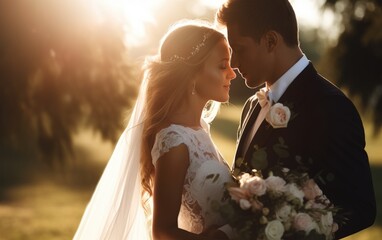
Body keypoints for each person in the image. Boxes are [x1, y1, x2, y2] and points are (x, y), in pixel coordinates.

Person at [215, 0, 376, 239]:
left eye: (240, 49)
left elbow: (360, 207)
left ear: (270, 41)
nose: (234, 63)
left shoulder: (331, 106)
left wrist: (292, 228)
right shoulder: (251, 106)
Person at [73, 20, 237, 240]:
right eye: (222, 65)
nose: (232, 74)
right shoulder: (174, 141)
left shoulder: (200, 129)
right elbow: (162, 232)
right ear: (192, 74)